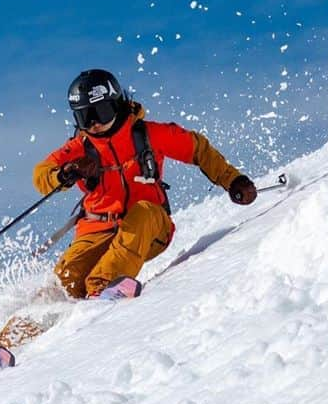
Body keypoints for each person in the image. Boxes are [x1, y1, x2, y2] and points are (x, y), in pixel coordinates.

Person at [34, 68, 257, 300]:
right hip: (97, 228)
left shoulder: (147, 135)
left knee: (143, 212)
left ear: (116, 104)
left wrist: (233, 180)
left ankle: (103, 290)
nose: (93, 124)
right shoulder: (80, 147)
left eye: (99, 113)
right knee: (61, 285)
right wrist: (63, 174)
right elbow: (41, 174)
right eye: (84, 117)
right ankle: (17, 333)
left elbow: (198, 149)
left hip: (150, 226)